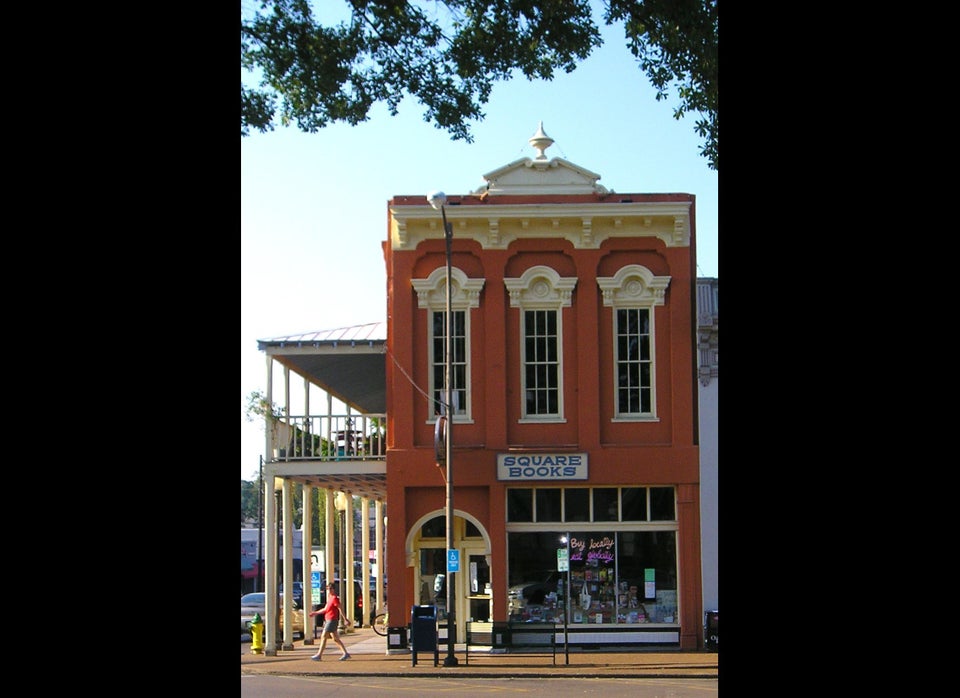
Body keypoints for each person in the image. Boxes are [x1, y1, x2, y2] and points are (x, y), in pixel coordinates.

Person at [307, 582, 351, 661]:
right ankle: (345, 653)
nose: (329, 590)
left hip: (332, 620)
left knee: (324, 636)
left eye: (331, 588)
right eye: (328, 589)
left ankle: (319, 655)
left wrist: (345, 619)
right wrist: (315, 613)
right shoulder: (329, 598)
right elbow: (325, 609)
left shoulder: (335, 598)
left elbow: (340, 609)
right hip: (328, 619)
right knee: (335, 638)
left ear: (334, 589)